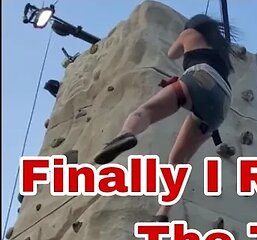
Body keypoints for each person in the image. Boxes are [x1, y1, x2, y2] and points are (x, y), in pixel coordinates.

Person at [93, 14, 240, 222]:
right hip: (222, 104)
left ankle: (125, 134)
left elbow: (172, 53)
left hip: (199, 77)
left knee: (146, 111)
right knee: (178, 161)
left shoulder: (189, 34)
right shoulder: (221, 54)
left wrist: (182, 39)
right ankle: (163, 214)